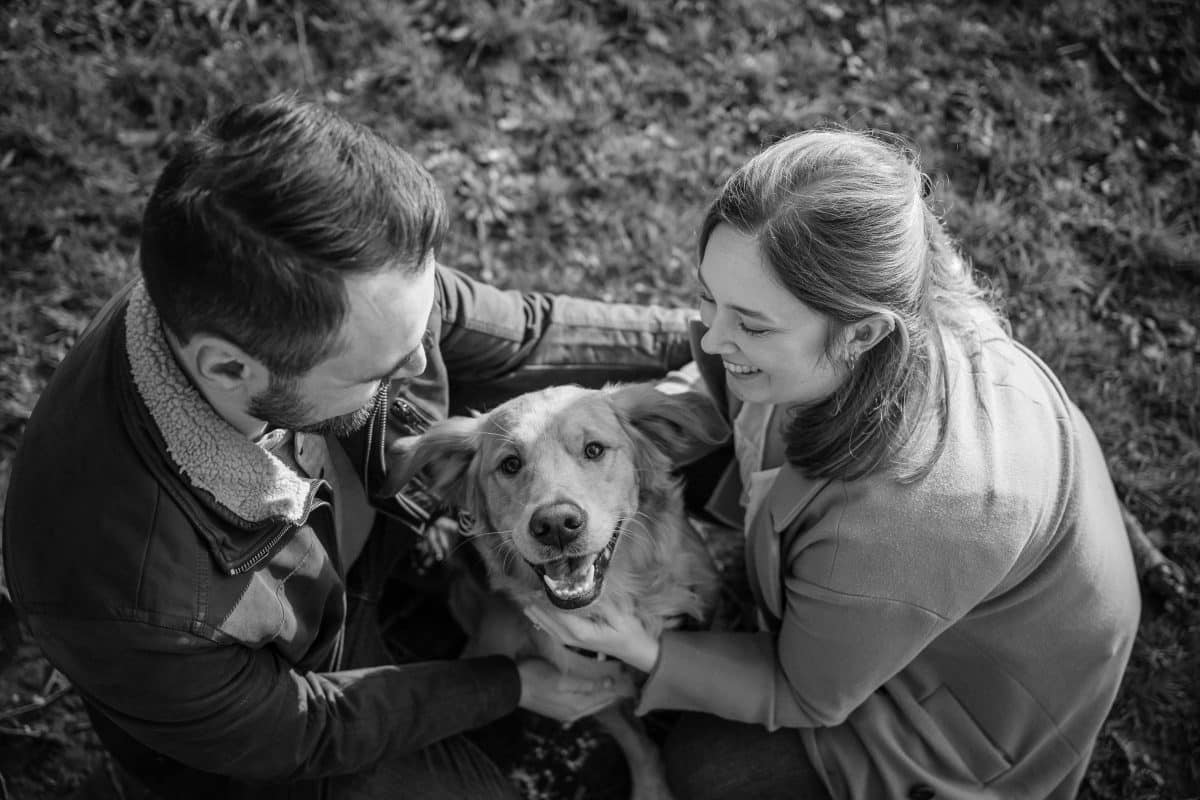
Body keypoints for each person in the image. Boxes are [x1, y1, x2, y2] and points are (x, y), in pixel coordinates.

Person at [1, 95, 696, 800]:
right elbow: (303, 731)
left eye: (419, 325)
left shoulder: (314, 279)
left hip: (355, 557)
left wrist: (720, 343)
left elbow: (515, 330)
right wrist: (512, 684)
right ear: (231, 370)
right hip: (291, 715)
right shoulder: (134, 598)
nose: (424, 370)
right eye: (382, 369)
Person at [525, 129, 1142, 800]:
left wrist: (643, 649)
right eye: (707, 295)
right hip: (943, 588)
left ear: (863, 333)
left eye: (753, 325)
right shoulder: (879, 312)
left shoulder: (906, 519)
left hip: (958, 713)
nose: (711, 335)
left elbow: (808, 696)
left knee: (707, 768)